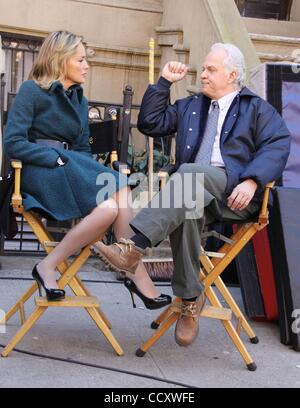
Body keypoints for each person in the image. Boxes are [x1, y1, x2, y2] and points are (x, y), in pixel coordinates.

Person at [95, 43, 291, 347]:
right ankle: (189, 301)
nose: (203, 76)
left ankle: (134, 247)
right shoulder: (191, 106)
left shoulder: (256, 108)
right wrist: (163, 84)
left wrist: (253, 180)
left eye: (211, 70)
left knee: (186, 174)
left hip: (234, 194)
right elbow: (150, 123)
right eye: (203, 69)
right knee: (187, 203)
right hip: (192, 193)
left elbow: (277, 144)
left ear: (233, 75)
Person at [4, 30, 171, 309]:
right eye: (80, 60)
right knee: (119, 183)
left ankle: (48, 266)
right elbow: (13, 143)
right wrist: (53, 158)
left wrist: (84, 174)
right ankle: (136, 273)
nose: (86, 66)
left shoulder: (79, 99)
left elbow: (82, 149)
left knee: (109, 206)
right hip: (39, 173)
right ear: (61, 59)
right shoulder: (32, 90)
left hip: (70, 170)